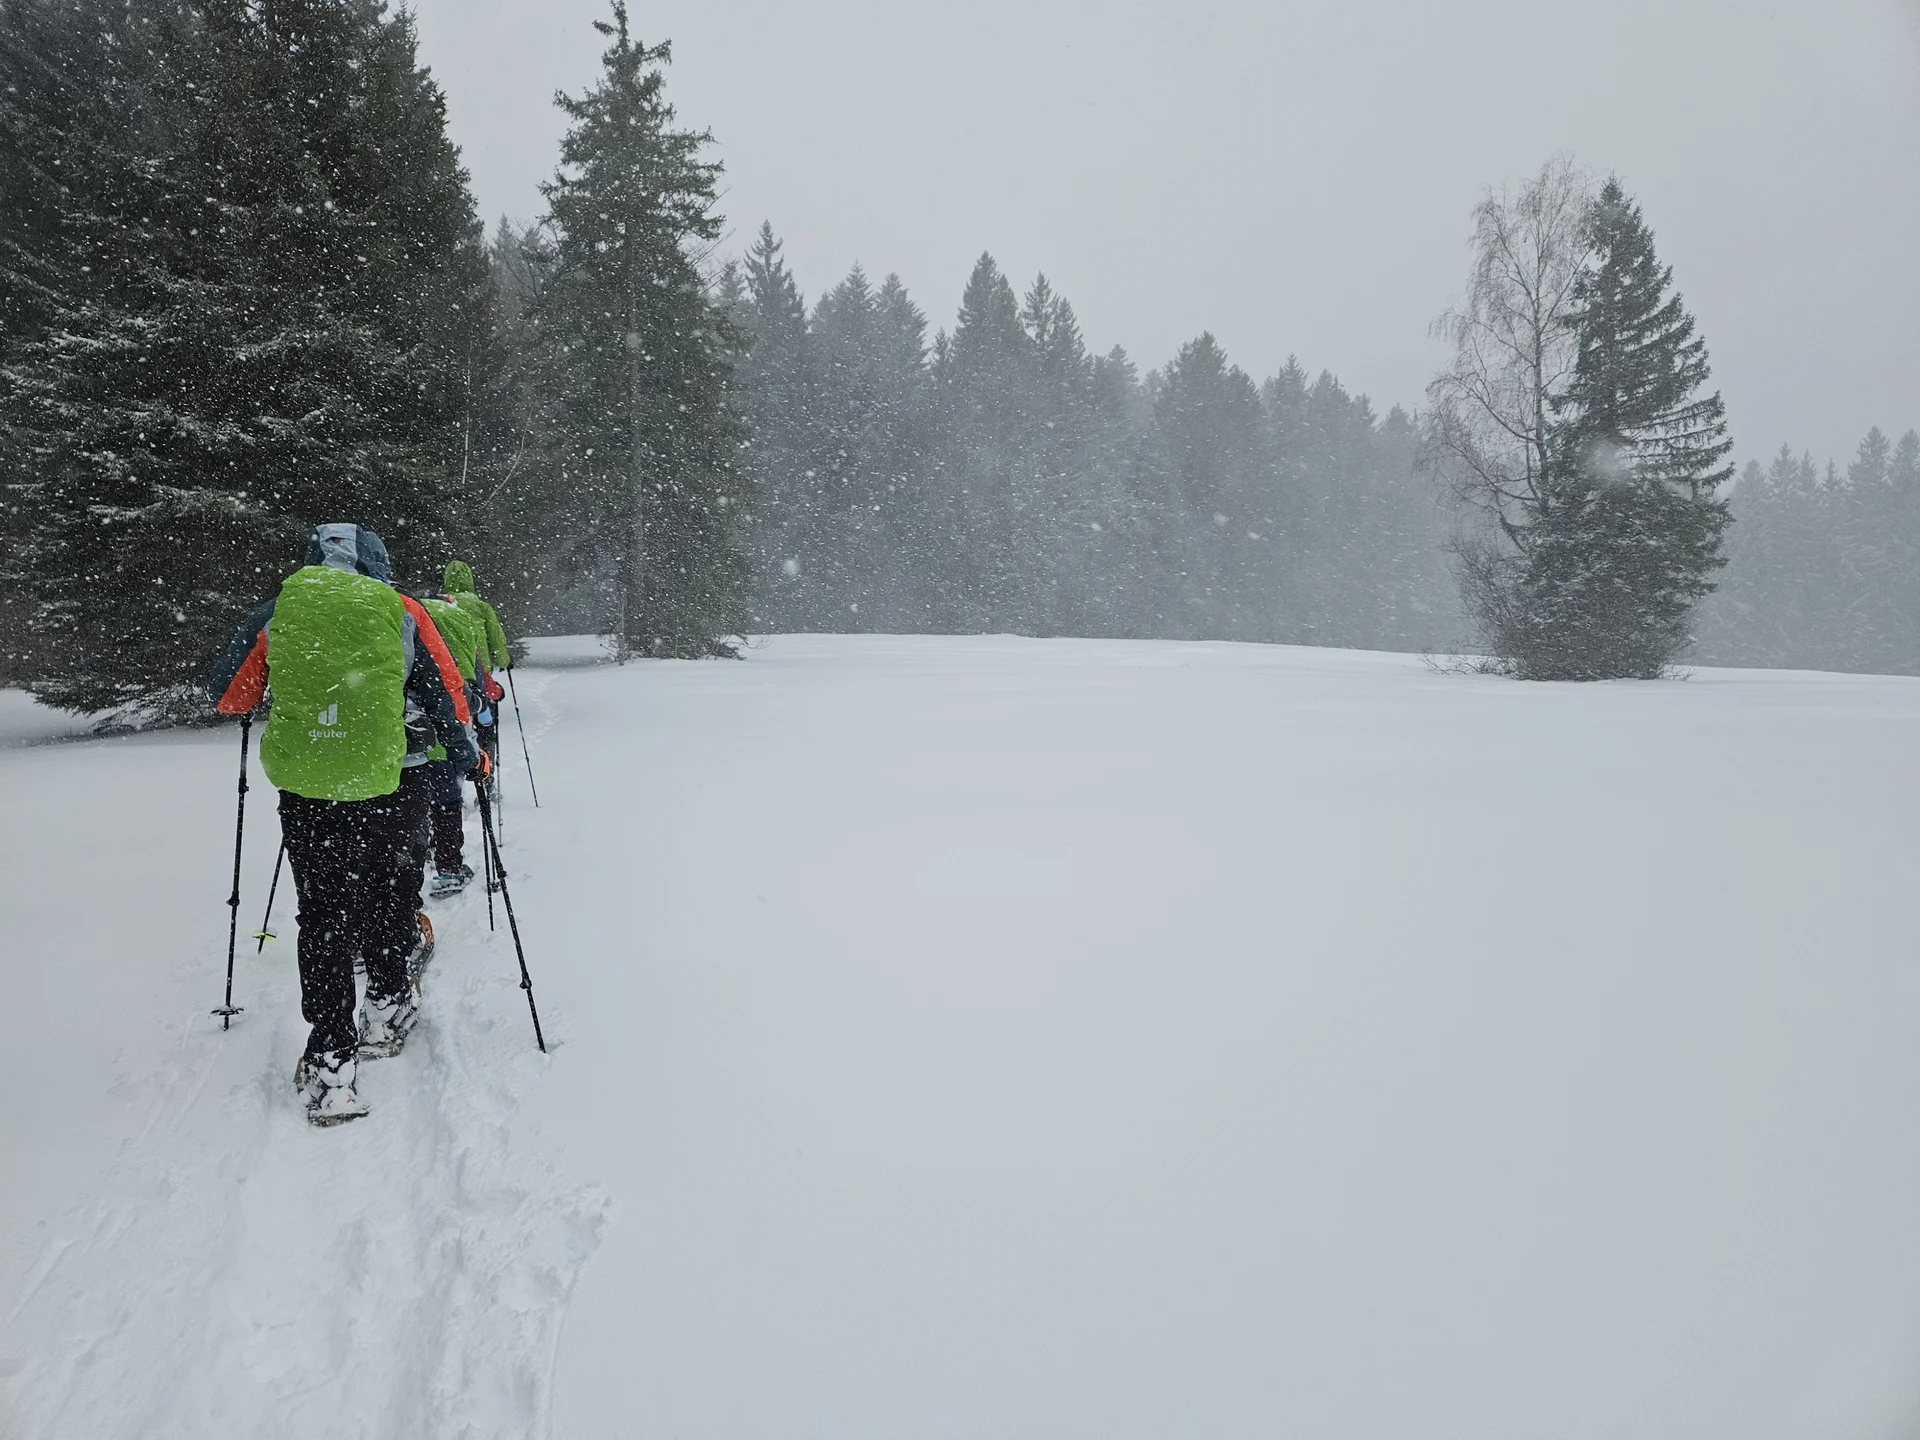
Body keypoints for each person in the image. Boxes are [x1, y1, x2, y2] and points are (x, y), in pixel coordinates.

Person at [209, 523, 479, 1124]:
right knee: (388, 895)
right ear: (378, 564)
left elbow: (229, 695)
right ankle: (386, 1007)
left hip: (309, 791)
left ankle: (333, 1056)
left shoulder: (279, 610)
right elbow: (446, 689)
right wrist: (463, 750)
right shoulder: (403, 608)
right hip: (392, 780)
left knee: (323, 915)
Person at [418, 591, 487, 895]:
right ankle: (448, 867)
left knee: (415, 796)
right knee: (447, 797)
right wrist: (479, 702)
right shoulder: (464, 617)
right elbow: (471, 668)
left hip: (409, 730)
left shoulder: (409, 618)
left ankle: (422, 856)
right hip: (451, 723)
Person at [442, 559, 512, 768]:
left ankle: (455, 776)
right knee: (486, 730)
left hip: (451, 675)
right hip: (480, 675)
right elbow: (496, 638)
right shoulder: (482, 607)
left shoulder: (443, 605)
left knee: (456, 724)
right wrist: (504, 661)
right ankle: (486, 774)